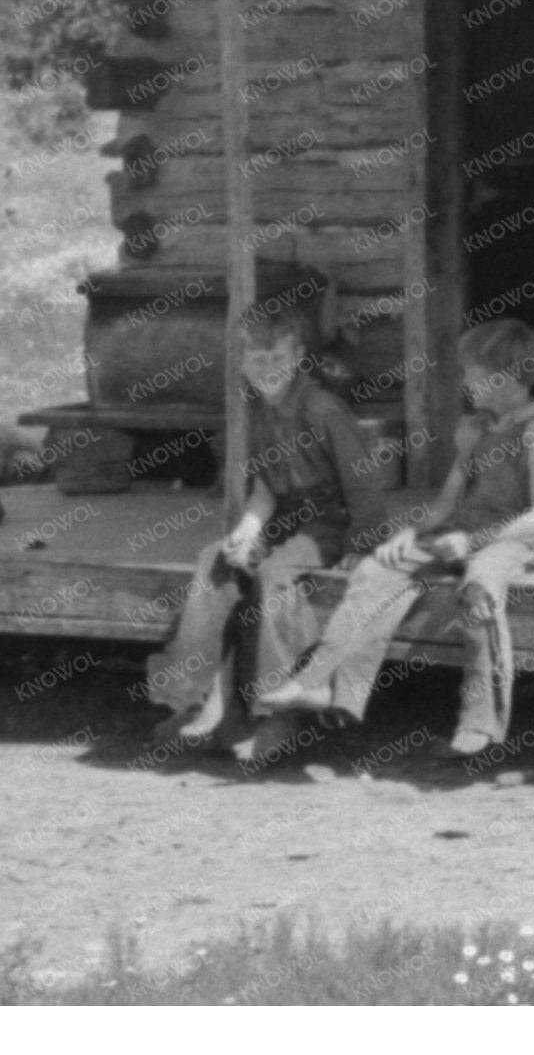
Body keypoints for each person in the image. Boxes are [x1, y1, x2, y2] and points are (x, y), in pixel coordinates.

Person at [244, 316, 534, 763]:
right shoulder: (474, 429)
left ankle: (479, 721)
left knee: (477, 592)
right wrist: (407, 536)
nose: (464, 381)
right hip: (461, 530)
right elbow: (445, 504)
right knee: (375, 570)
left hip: (510, 539)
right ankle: (318, 680)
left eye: (470, 372)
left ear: (505, 378)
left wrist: (475, 543)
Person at [143, 300, 394, 748]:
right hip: (284, 518)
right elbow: (267, 488)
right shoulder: (256, 412)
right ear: (241, 363)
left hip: (330, 524)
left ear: (298, 356)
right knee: (214, 561)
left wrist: (363, 544)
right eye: (257, 359)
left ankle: (277, 706)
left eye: (278, 357)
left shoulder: (323, 411)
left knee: (275, 573)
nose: (268, 368)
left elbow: (366, 487)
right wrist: (246, 531)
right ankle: (198, 697)